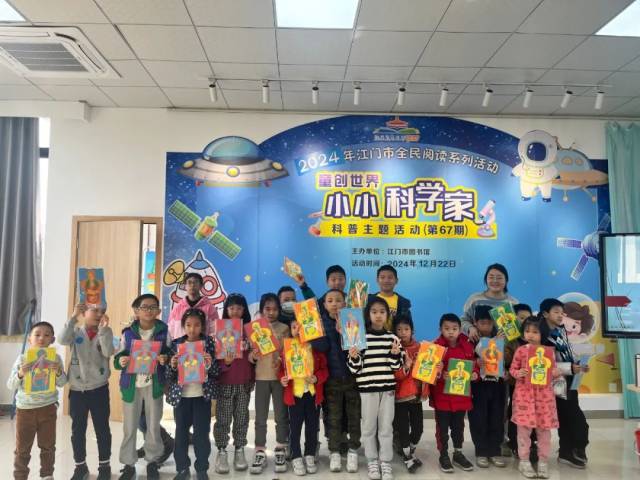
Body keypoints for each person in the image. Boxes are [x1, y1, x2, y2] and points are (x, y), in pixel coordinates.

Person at [114, 294, 171, 480]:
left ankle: (152, 461)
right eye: (144, 307)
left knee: (153, 426)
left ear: (158, 311)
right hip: (132, 385)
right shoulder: (128, 333)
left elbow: (170, 353)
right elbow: (118, 357)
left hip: (154, 385)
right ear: (137, 311)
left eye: (152, 307)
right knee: (129, 427)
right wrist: (121, 361)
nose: (148, 310)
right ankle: (128, 464)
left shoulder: (164, 331)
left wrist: (165, 358)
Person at [348, 297, 403, 480]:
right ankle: (372, 460)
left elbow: (396, 366)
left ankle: (385, 461)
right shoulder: (360, 337)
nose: (378, 315)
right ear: (368, 315)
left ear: (387, 315)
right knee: (369, 427)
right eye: (374, 312)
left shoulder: (393, 338)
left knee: (386, 427)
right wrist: (354, 357)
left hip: (387, 390)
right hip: (367, 390)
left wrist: (394, 354)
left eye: (382, 311)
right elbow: (355, 369)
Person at [60, 303, 114, 480]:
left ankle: (104, 466)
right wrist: (73, 317)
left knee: (102, 429)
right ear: (84, 312)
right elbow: (62, 339)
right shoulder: (75, 332)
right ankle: (80, 466)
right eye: (95, 310)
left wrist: (104, 331)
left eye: (102, 311)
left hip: (99, 390)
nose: (99, 314)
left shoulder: (106, 332)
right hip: (77, 390)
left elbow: (108, 351)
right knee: (77, 430)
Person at [7, 321, 67, 480]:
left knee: (48, 446)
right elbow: (10, 384)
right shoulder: (22, 359)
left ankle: (47, 475)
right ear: (30, 339)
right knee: (22, 448)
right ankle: (20, 476)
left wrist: (58, 371)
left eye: (47, 335)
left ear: (52, 339)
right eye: (37, 334)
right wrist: (20, 374)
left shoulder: (56, 359)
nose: (41, 338)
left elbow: (62, 383)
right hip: (25, 410)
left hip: (48, 408)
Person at [310, 289, 361, 473]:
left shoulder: (353, 320)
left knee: (354, 416)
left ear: (345, 304)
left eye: (338, 300)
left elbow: (357, 349)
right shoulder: (321, 323)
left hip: (352, 378)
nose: (334, 304)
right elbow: (322, 347)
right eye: (330, 300)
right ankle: (334, 451)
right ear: (324, 305)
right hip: (331, 380)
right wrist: (318, 332)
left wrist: (344, 332)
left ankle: (353, 450)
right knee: (333, 417)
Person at [166, 308, 220, 480]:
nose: (192, 329)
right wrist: (172, 365)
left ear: (202, 326)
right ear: (183, 326)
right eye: (188, 325)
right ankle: (182, 468)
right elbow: (169, 375)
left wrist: (209, 364)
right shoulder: (176, 344)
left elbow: (217, 371)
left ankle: (202, 469)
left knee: (201, 434)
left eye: (197, 325)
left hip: (201, 397)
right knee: (181, 434)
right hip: (182, 397)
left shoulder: (209, 343)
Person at [539, 298, 589, 469]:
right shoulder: (542, 335)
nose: (560, 315)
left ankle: (569, 451)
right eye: (556, 312)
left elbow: (567, 353)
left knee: (570, 418)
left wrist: (578, 365)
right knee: (572, 419)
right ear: (545, 314)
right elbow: (545, 365)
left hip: (569, 381)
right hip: (555, 383)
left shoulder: (561, 331)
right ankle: (571, 450)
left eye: (562, 312)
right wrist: (569, 368)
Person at [510, 317, 560, 479]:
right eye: (527, 331)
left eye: (535, 332)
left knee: (544, 431)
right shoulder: (521, 351)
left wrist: (555, 373)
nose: (530, 335)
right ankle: (524, 461)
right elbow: (512, 369)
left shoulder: (548, 352)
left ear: (542, 333)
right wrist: (518, 373)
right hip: (524, 397)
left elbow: (553, 371)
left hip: (544, 398)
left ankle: (543, 461)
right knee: (523, 431)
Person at [279, 319, 329, 476]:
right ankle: (296, 456)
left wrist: (317, 378)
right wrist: (283, 379)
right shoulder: (287, 348)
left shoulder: (315, 349)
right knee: (295, 428)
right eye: (294, 327)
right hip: (295, 396)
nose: (298, 329)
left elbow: (325, 370)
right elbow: (281, 370)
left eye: (301, 327)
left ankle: (309, 454)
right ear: (290, 330)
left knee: (312, 427)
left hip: (312, 395)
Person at [249, 293, 290, 474]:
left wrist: (281, 360)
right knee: (260, 417)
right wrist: (253, 356)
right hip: (261, 378)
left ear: (279, 311)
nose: (271, 312)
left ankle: (281, 447)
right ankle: (259, 450)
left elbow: (289, 351)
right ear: (261, 310)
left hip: (279, 379)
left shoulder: (284, 328)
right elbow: (249, 356)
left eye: (274, 309)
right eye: (267, 309)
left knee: (281, 415)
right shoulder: (255, 329)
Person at [430, 313, 477, 473]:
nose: (451, 332)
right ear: (440, 329)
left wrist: (475, 374)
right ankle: (443, 455)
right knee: (442, 429)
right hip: (442, 397)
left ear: (460, 329)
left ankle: (458, 453)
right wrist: (439, 374)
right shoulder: (436, 348)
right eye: (447, 328)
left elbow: (475, 365)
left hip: (461, 397)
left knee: (458, 427)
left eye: (454, 328)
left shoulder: (468, 346)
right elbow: (428, 372)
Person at [214, 293, 254, 473]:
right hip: (226, 382)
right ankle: (222, 450)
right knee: (223, 418)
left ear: (244, 310)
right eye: (231, 308)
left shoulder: (250, 331)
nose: (235, 311)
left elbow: (256, 356)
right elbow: (215, 361)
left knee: (242, 417)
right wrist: (227, 363)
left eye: (239, 308)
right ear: (226, 310)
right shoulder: (220, 330)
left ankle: (239, 449)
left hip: (244, 382)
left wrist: (254, 357)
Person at [468, 305, 506, 469]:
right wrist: (475, 362)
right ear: (475, 323)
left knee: (497, 417)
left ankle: (495, 450)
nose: (486, 327)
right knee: (478, 418)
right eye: (482, 323)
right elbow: (465, 360)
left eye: (489, 323)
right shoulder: (470, 340)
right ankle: (481, 451)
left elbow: (508, 359)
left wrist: (500, 344)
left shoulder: (501, 338)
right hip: (478, 385)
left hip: (497, 384)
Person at [393, 316, 428, 473]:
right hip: (400, 397)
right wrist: (406, 366)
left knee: (418, 429)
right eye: (399, 329)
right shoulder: (394, 349)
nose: (402, 333)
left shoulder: (421, 348)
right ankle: (407, 457)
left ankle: (410, 451)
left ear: (412, 331)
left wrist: (437, 366)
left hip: (416, 397)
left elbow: (427, 372)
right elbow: (395, 375)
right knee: (402, 429)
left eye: (406, 329)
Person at [461, 263, 518, 342]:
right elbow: (463, 320)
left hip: (506, 347)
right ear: (486, 280)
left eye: (499, 278)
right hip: (477, 346)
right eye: (491, 277)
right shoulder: (475, 299)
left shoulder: (513, 303)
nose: (495, 281)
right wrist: (470, 328)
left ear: (506, 280)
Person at [167, 272, 218, 339]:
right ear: (185, 286)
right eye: (189, 282)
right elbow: (170, 332)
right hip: (180, 345)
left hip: (203, 345)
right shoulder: (177, 308)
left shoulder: (210, 308)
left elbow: (215, 332)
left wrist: (207, 343)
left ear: (201, 286)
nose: (192, 285)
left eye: (196, 282)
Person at [367, 265, 412, 330]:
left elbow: (408, 326)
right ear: (377, 280)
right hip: (373, 335)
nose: (386, 281)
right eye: (382, 277)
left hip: (394, 336)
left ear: (396, 280)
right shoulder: (368, 299)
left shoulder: (403, 303)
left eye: (390, 277)